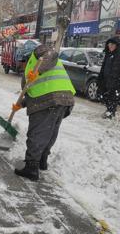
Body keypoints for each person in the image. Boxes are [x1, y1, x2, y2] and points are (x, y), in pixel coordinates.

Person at [13, 45, 75, 181]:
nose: (20, 66)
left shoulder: (37, 54)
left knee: (37, 133)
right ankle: (42, 160)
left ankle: (31, 167)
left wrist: (38, 71)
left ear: (24, 58)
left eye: (20, 63)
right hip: (64, 99)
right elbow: (32, 92)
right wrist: (20, 104)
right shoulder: (28, 72)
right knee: (50, 132)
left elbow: (52, 54)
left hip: (48, 100)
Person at [97, 37, 120, 119]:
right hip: (105, 80)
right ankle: (109, 111)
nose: (110, 46)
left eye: (112, 44)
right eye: (109, 44)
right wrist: (100, 77)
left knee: (112, 98)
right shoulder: (108, 54)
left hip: (115, 81)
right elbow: (103, 66)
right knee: (102, 95)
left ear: (116, 45)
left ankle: (110, 114)